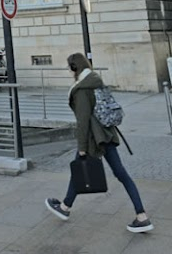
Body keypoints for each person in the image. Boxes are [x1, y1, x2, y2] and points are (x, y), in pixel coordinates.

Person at [45, 53, 153, 233]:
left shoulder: (81, 89)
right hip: (107, 134)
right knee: (120, 174)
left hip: (93, 139)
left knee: (80, 168)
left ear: (73, 68)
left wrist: (81, 148)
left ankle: (65, 208)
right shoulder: (97, 80)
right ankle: (142, 215)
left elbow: (83, 121)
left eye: (69, 67)